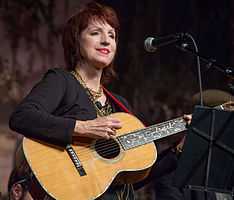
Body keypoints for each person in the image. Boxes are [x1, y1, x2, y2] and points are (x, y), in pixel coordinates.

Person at [9, 1, 192, 199]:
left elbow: (130, 177)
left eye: (112, 35)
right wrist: (83, 128)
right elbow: (21, 117)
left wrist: (179, 148)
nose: (106, 41)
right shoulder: (62, 81)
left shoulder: (120, 105)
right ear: (76, 41)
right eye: (95, 33)